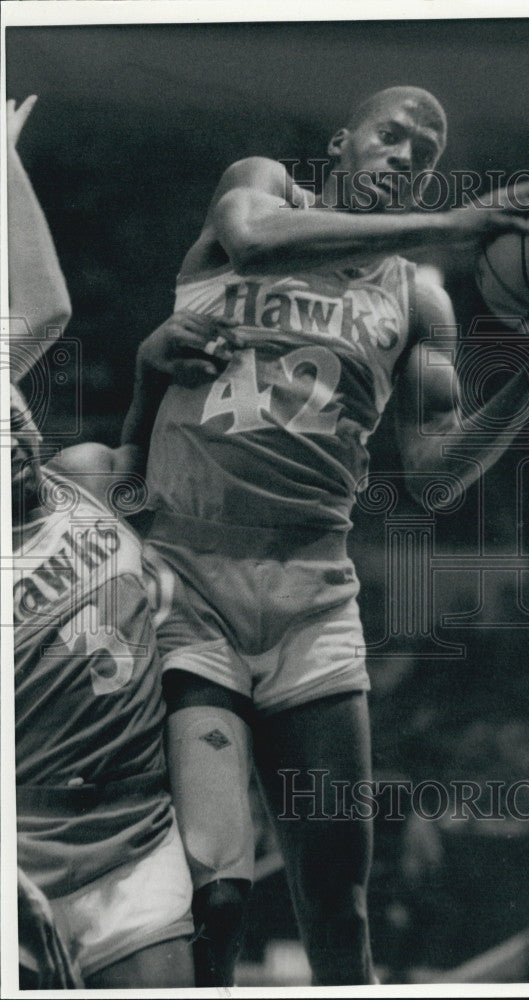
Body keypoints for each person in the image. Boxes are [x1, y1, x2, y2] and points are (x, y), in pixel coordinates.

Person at [142, 85, 529, 985]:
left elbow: (437, 475)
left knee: (340, 906)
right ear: (345, 142)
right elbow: (248, 239)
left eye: (426, 151)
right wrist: (447, 220)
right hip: (190, 585)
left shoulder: (421, 298)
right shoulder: (265, 191)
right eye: (392, 135)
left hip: (311, 602)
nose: (406, 155)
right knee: (215, 894)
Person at [7, 95, 236, 989]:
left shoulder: (90, 477)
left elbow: (42, 310)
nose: (14, 436)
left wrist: (1, 160)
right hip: (24, 866)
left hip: (134, 847)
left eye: (14, 415)